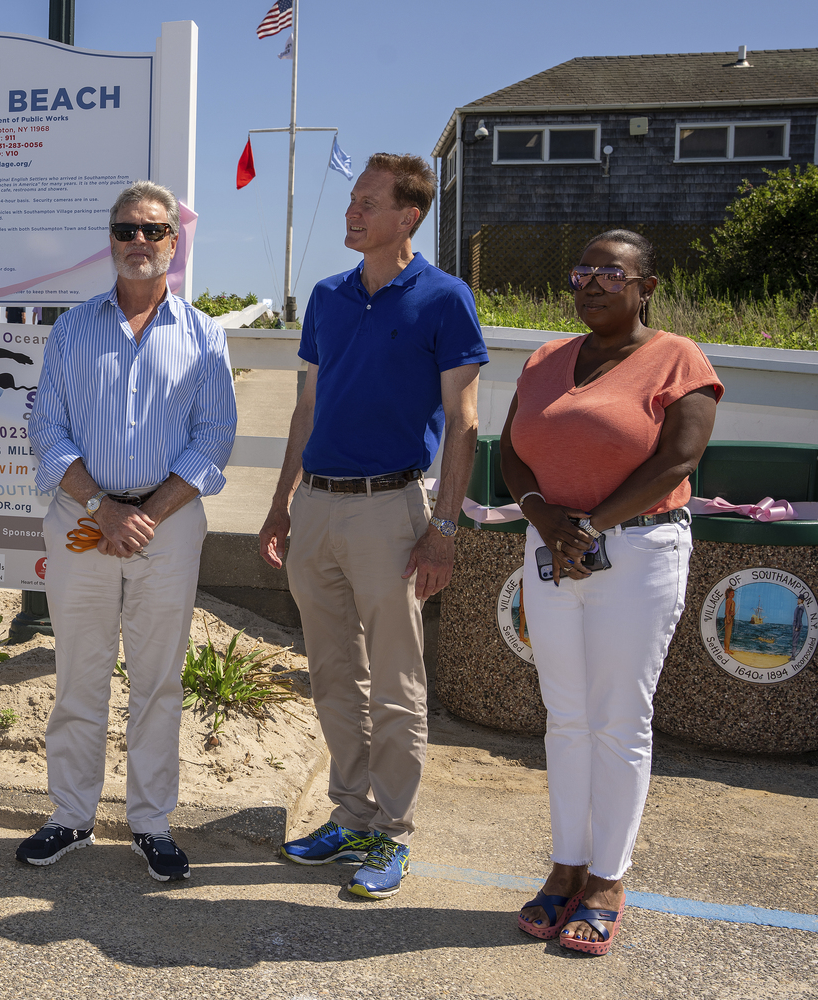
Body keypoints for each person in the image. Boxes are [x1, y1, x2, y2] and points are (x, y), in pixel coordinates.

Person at [259, 153, 487, 900]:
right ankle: (352, 815)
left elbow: (463, 423)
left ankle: (392, 835)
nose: (351, 212)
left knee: (396, 683)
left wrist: (443, 529)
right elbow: (306, 408)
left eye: (367, 202)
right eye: (352, 200)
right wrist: (280, 503)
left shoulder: (445, 299)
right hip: (316, 508)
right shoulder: (327, 297)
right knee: (332, 676)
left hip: (392, 510)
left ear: (408, 215)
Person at [503, 230, 721, 955]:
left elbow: (679, 459)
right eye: (583, 270)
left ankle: (607, 879)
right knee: (564, 718)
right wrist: (544, 519)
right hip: (552, 553)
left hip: (638, 552)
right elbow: (510, 450)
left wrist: (589, 526)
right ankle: (565, 866)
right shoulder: (544, 359)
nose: (592, 282)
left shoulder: (677, 357)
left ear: (646, 286)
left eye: (611, 272)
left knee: (619, 719)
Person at [17, 180, 237, 882]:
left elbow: (214, 439)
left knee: (158, 682)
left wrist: (148, 512)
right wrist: (103, 509)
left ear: (175, 241)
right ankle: (71, 817)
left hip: (167, 528)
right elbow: (45, 429)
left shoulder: (206, 335)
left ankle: (151, 822)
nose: (138, 243)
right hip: (83, 521)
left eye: (152, 231)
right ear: (109, 240)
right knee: (78, 675)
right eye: (125, 231)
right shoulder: (73, 329)